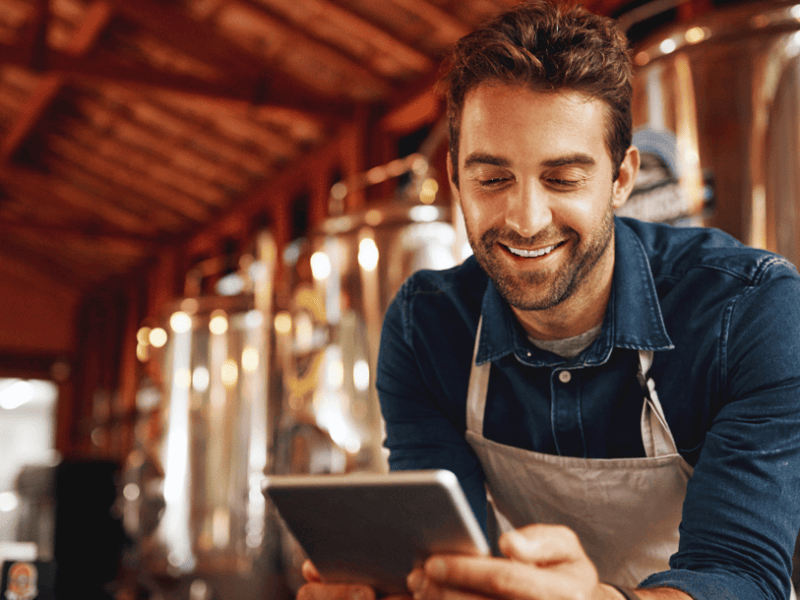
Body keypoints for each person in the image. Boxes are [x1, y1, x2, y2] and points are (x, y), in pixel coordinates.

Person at [298, 2, 800, 600]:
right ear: (456, 180)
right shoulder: (426, 326)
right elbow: (445, 552)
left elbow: (739, 572)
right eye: (492, 179)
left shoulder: (752, 311)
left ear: (621, 179)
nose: (526, 220)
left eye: (563, 179)